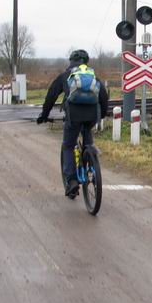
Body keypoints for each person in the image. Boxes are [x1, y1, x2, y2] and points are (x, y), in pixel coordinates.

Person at [37, 49, 110, 198]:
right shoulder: (92, 75)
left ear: (71, 61)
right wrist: (101, 115)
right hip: (92, 116)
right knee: (87, 135)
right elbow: (103, 97)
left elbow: (51, 96)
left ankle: (71, 182)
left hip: (74, 116)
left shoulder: (66, 75)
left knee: (68, 145)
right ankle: (90, 159)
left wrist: (44, 116)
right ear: (86, 61)